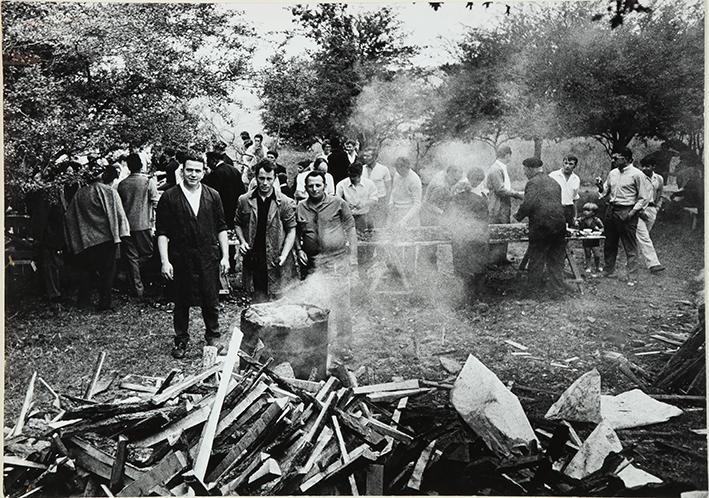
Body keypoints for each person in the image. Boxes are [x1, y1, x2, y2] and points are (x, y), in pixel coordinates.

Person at [156, 155, 229, 359]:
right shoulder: (170, 196)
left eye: (197, 170)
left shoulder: (213, 195)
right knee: (181, 301)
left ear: (204, 172)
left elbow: (222, 227)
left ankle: (213, 337)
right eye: (189, 170)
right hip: (180, 258)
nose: (193, 174)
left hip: (208, 256)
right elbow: (162, 232)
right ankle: (181, 340)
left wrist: (225, 256)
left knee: (210, 298)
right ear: (182, 171)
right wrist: (165, 261)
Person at [295, 170, 358, 360]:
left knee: (341, 304)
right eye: (310, 186)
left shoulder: (338, 203)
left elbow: (351, 230)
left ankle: (344, 345)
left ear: (325, 186)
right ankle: (317, 344)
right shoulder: (300, 207)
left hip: (337, 261)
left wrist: (353, 260)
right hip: (313, 264)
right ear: (305, 188)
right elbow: (296, 232)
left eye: (318, 185)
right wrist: (299, 249)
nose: (314, 189)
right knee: (314, 303)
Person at [64, 163, 130, 310]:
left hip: (86, 238)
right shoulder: (108, 192)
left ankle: (83, 300)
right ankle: (104, 303)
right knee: (107, 272)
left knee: (86, 270)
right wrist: (123, 233)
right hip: (106, 238)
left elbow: (69, 216)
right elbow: (119, 214)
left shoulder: (80, 193)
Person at [234, 160, 297, 303]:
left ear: (274, 179)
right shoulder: (244, 200)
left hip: (276, 257)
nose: (265, 183)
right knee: (257, 299)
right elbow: (237, 223)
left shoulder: (284, 202)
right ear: (255, 177)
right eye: (261, 178)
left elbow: (291, 229)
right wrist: (242, 242)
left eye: (269, 179)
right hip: (254, 257)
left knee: (278, 300)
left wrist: (284, 254)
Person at [595, 147, 652, 286]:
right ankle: (609, 270)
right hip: (611, 210)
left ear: (627, 159)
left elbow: (643, 198)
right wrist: (600, 186)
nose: (613, 160)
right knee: (610, 242)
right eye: (613, 158)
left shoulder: (637, 174)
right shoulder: (613, 173)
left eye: (617, 158)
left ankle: (632, 276)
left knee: (630, 245)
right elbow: (605, 192)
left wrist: (632, 212)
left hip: (627, 210)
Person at [514, 157, 569, 295]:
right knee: (556, 258)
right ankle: (557, 290)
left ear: (530, 169)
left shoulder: (532, 183)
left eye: (525, 170)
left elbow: (529, 204)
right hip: (559, 224)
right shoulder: (554, 182)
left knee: (537, 257)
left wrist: (518, 217)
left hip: (542, 226)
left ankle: (533, 291)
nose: (525, 173)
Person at [117, 153, 160, 299]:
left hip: (126, 226)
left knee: (131, 256)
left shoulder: (122, 184)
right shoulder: (148, 182)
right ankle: (136, 280)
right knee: (148, 253)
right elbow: (155, 203)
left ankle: (137, 287)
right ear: (141, 165)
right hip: (143, 224)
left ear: (128, 167)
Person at [446, 167, 489, 301]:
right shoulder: (481, 200)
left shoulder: (454, 199)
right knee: (478, 265)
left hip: (460, 237)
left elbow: (447, 218)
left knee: (461, 266)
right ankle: (479, 295)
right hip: (477, 237)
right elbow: (485, 220)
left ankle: (463, 295)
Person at [486, 146, 524, 265]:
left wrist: (515, 192)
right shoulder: (496, 169)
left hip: (503, 204)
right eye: (510, 155)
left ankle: (501, 257)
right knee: (497, 230)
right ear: (507, 155)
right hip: (497, 205)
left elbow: (505, 187)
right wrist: (517, 194)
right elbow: (500, 190)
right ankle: (493, 260)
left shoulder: (502, 168)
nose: (510, 157)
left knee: (504, 230)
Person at [421, 164, 462, 268]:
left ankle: (430, 267)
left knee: (432, 244)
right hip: (429, 216)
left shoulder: (444, 175)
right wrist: (444, 215)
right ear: (449, 174)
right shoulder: (440, 186)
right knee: (430, 245)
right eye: (455, 179)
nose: (456, 182)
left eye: (458, 179)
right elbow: (429, 205)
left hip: (435, 213)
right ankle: (429, 270)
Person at [636, 157, 665, 274]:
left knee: (643, 236)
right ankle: (654, 264)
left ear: (654, 167)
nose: (644, 168)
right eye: (643, 166)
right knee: (644, 237)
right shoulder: (638, 177)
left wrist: (657, 207)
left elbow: (660, 193)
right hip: (639, 209)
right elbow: (633, 195)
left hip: (652, 209)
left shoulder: (658, 178)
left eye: (647, 166)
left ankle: (632, 260)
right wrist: (638, 211)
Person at [360, 146, 392, 228]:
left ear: (374, 157)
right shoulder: (361, 169)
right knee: (367, 226)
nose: (365, 158)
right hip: (366, 202)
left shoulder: (383, 169)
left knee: (380, 226)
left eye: (368, 156)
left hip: (380, 201)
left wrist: (387, 203)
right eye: (364, 156)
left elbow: (388, 187)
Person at [388, 157, 422, 228]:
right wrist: (391, 203)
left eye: (401, 170)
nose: (399, 172)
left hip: (409, 214)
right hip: (396, 211)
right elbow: (394, 190)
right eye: (397, 170)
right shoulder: (397, 174)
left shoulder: (414, 180)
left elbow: (417, 204)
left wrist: (404, 220)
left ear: (407, 167)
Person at [549, 155, 581, 227]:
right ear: (562, 163)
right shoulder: (553, 175)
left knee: (568, 232)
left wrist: (575, 216)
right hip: (555, 208)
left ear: (575, 166)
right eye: (566, 163)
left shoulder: (576, 179)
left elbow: (575, 199)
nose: (567, 166)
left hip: (569, 210)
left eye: (570, 164)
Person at [575, 202, 604, 275]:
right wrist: (576, 223)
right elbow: (576, 223)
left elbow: (602, 228)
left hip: (595, 239)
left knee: (596, 254)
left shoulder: (596, 220)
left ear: (593, 212)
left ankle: (597, 266)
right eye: (584, 210)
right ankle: (588, 267)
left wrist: (598, 230)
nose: (585, 212)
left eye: (588, 210)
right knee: (587, 253)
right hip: (586, 239)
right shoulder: (582, 219)